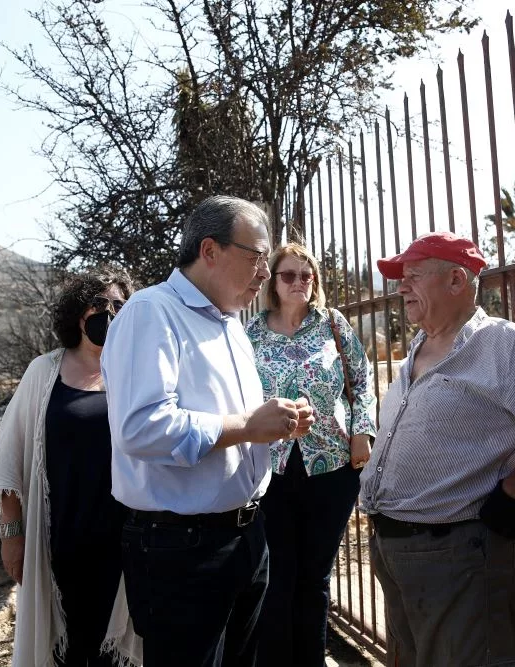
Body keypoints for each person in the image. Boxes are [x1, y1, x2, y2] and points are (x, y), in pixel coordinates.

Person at [102, 195, 315, 667]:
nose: (266, 271)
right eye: (257, 255)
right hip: (181, 550)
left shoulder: (232, 323)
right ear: (210, 250)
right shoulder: (150, 312)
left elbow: (229, 422)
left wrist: (272, 424)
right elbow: (142, 428)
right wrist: (246, 426)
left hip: (245, 535)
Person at [359, 231, 515, 667]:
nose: (401, 286)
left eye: (413, 276)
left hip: (461, 555)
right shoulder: (417, 348)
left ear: (457, 281)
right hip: (397, 554)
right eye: (400, 277)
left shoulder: (508, 348)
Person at [0, 268, 142, 667]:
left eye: (120, 307)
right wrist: (12, 536)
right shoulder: (44, 371)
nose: (110, 314)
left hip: (126, 541)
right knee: (68, 649)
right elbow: (9, 460)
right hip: (59, 541)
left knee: (115, 647)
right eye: (101, 305)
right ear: (78, 313)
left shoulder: (137, 373)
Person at [244, 242, 376, 667]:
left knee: (315, 576)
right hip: (271, 469)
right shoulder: (252, 333)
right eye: (289, 275)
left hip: (332, 468)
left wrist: (363, 431)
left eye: (307, 275)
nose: (299, 282)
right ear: (273, 282)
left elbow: (362, 377)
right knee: (278, 574)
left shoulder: (333, 325)